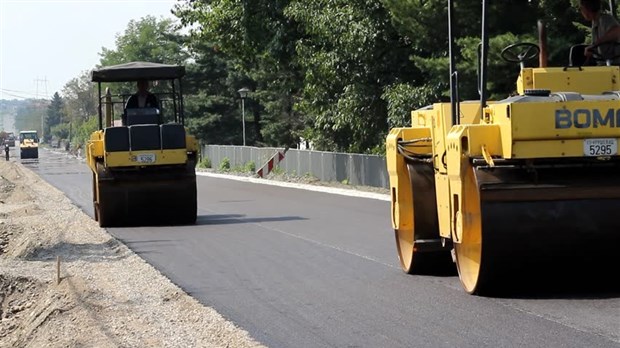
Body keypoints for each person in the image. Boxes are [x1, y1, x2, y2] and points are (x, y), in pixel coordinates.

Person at [580, 0, 620, 65]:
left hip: (615, 63)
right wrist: (592, 49)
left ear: (586, 9)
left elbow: (617, 31)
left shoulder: (605, 19)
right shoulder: (595, 22)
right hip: (603, 63)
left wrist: (596, 44)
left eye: (581, 9)